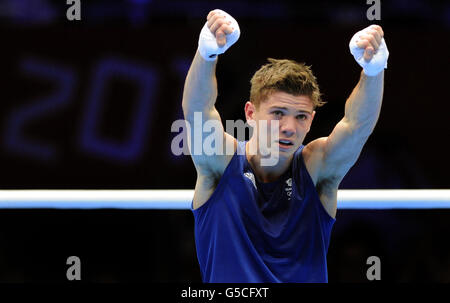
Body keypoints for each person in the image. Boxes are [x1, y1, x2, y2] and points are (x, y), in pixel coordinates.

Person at [182, 9, 388, 282]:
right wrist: (206, 54)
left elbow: (356, 126)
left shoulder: (317, 169)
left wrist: (373, 71)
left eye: (300, 116)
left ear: (311, 120)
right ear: (251, 113)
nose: (289, 127)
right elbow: (198, 110)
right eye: (278, 113)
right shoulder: (221, 164)